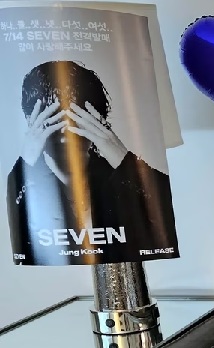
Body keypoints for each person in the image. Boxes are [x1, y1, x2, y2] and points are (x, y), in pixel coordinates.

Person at [7, 60, 176, 265]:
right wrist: (25, 163)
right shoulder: (22, 185)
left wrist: (123, 158)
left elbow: (169, 218)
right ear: (31, 120)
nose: (65, 129)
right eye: (53, 116)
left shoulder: (125, 180)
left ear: (98, 119)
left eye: (76, 115)